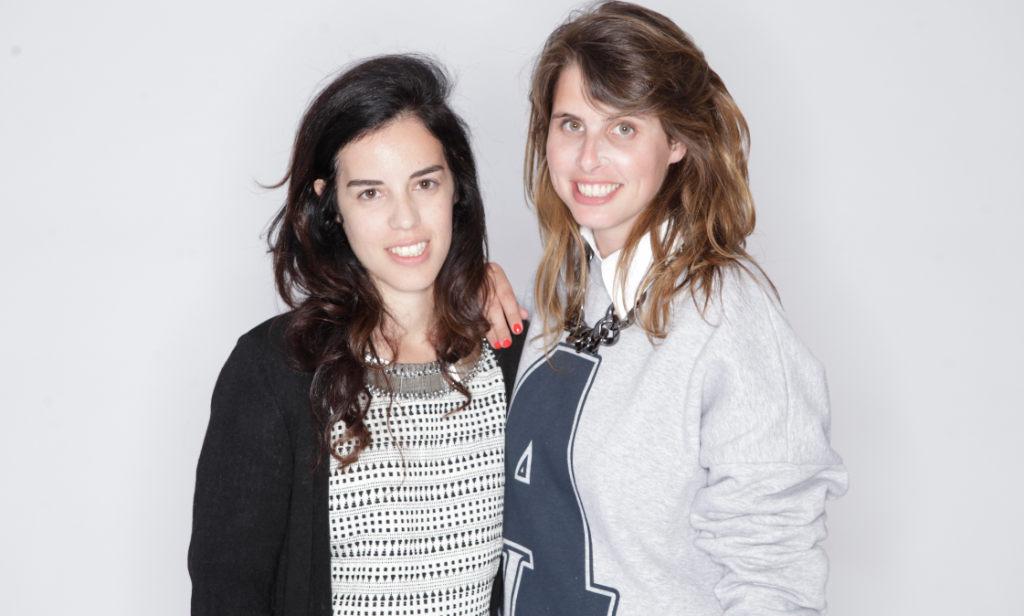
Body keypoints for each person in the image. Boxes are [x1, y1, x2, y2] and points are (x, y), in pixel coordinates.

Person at [499, 3, 849, 615]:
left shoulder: (727, 318)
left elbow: (773, 579)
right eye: (571, 124)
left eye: (623, 129)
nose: (588, 158)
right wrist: (458, 288)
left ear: (678, 141)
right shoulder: (556, 287)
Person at [188, 54, 524, 616]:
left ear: (456, 188)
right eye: (371, 192)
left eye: (425, 183)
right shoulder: (272, 371)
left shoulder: (514, 355)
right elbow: (228, 594)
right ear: (332, 203)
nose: (405, 219)